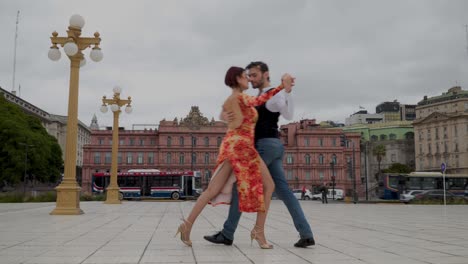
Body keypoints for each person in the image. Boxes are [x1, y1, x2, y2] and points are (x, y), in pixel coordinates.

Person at [175, 66, 295, 249]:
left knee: (212, 190)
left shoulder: (233, 99)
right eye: (245, 77)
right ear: (237, 79)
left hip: (236, 146)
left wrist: (228, 118)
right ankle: (258, 231)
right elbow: (259, 100)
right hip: (242, 147)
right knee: (269, 185)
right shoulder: (239, 97)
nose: (248, 80)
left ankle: (187, 225)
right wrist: (281, 86)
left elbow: (231, 116)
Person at [204, 61, 316, 248]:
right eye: (248, 75)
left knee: (241, 185)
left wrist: (286, 91)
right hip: (274, 146)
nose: (251, 78)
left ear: (265, 74)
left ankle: (228, 233)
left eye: (254, 75)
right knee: (284, 191)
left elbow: (287, 114)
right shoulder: (262, 96)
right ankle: (306, 234)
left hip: (264, 146)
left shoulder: (272, 95)